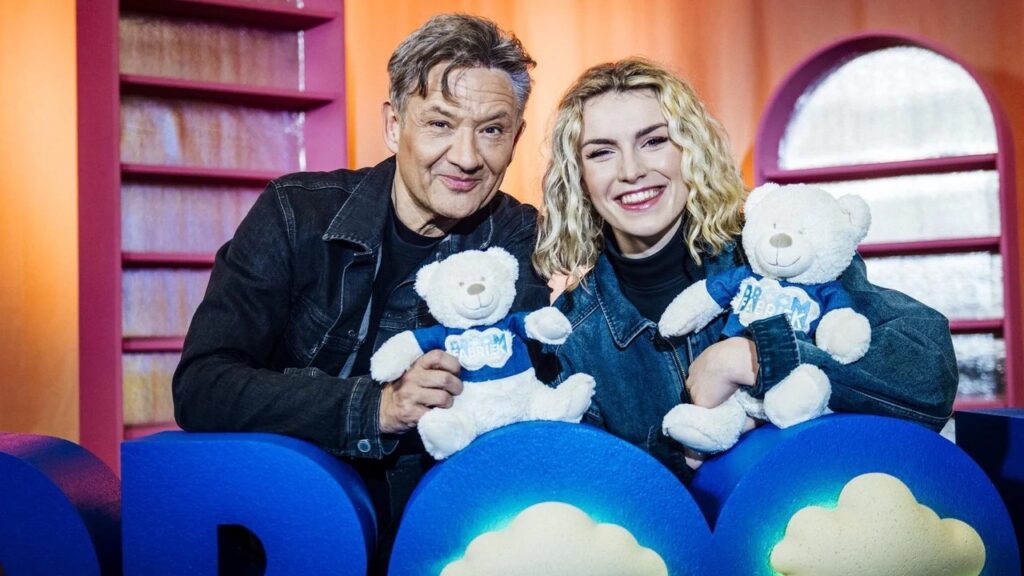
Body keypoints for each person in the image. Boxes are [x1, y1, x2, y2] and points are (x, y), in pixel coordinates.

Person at [172, 14, 548, 572]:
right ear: (394, 125)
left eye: (491, 130)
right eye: (440, 123)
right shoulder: (295, 213)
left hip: (438, 537)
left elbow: (516, 405)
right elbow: (202, 387)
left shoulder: (516, 237)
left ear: (515, 138)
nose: (468, 157)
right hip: (287, 531)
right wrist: (375, 407)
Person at [533, 58, 958, 482]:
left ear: (690, 149)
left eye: (654, 141)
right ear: (579, 175)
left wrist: (753, 358)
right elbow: (595, 493)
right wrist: (683, 455)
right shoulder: (571, 337)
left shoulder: (779, 247)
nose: (631, 171)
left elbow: (927, 382)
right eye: (602, 152)